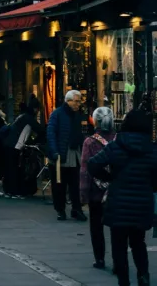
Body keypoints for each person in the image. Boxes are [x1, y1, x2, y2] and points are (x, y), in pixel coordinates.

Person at [88, 109, 157, 286]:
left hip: (118, 202)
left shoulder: (116, 146)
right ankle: (143, 276)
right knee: (138, 242)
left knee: (119, 246)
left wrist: (110, 178)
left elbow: (93, 164)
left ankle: (124, 281)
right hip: (142, 202)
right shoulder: (151, 149)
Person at [80, 106, 116, 271]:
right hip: (115, 190)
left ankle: (99, 259)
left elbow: (85, 170)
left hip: (96, 191)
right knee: (117, 229)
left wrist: (84, 193)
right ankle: (118, 261)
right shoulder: (118, 139)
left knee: (96, 227)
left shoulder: (90, 142)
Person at [47, 90, 88, 221]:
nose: (78, 104)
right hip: (61, 153)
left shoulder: (79, 114)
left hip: (75, 152)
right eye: (76, 101)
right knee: (59, 184)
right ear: (68, 101)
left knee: (76, 184)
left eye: (79, 101)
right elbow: (51, 133)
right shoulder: (57, 114)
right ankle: (60, 209)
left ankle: (76, 209)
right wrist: (54, 151)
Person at [2, 97, 45, 197]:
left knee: (9, 169)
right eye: (38, 110)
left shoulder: (22, 116)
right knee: (14, 169)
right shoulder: (29, 119)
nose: (38, 112)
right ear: (35, 109)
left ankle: (8, 190)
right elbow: (41, 130)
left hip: (9, 144)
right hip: (15, 146)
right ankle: (14, 191)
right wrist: (36, 141)